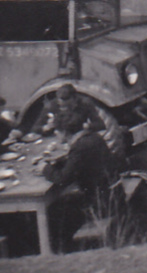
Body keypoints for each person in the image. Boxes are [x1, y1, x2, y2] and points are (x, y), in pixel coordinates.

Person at [42, 107, 120, 252]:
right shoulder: (93, 138)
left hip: (101, 202)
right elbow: (78, 164)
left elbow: (62, 178)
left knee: (54, 210)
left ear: (65, 132)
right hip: (111, 192)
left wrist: (45, 168)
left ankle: (60, 249)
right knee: (63, 204)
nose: (55, 133)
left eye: (56, 131)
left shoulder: (79, 147)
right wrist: (60, 163)